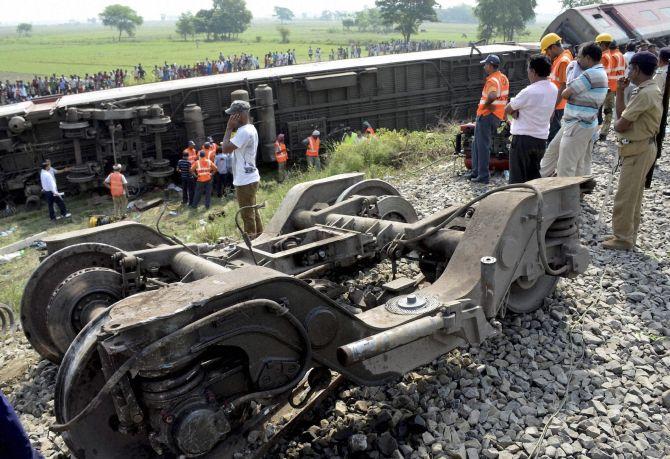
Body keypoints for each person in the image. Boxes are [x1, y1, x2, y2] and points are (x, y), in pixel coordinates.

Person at [605, 52, 662, 250]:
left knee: (626, 196)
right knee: (633, 195)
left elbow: (621, 124)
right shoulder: (645, 90)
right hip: (640, 148)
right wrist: (620, 91)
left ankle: (622, 238)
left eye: (630, 68)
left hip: (638, 149)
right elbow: (623, 115)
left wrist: (616, 126)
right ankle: (628, 234)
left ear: (637, 69)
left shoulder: (646, 93)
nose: (628, 71)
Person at [540, 42, 608, 178]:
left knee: (566, 165)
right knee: (554, 153)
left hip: (578, 124)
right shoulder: (596, 72)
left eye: (580, 57)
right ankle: (542, 181)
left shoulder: (591, 74)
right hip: (575, 122)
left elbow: (566, 93)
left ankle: (566, 195)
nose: (577, 60)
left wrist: (573, 72)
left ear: (588, 58)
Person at [504, 54, 557, 183]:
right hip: (541, 140)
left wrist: (515, 114)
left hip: (523, 140)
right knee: (533, 179)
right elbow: (551, 114)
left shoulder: (529, 91)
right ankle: (534, 202)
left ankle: (517, 202)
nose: (527, 72)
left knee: (517, 180)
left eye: (528, 69)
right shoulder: (553, 89)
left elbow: (508, 109)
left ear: (533, 71)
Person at [221, 100, 263, 238]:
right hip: (250, 177)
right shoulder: (250, 128)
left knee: (247, 214)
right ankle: (260, 236)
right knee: (253, 211)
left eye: (232, 114)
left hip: (245, 180)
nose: (231, 117)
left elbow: (225, 149)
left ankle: (252, 241)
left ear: (239, 115)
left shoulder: (244, 131)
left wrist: (228, 128)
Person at [469, 54, 509, 184]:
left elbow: (492, 96)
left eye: (486, 64)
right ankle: (475, 171)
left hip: (486, 115)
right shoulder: (503, 78)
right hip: (496, 116)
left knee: (482, 146)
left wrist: (485, 106)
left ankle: (483, 176)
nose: (484, 66)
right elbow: (504, 98)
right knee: (477, 144)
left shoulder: (492, 80)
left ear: (491, 66)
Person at [541, 33, 573, 143]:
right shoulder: (561, 58)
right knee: (552, 133)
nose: (547, 55)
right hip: (557, 103)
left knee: (553, 135)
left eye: (547, 51)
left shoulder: (563, 61)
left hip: (557, 104)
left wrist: (553, 107)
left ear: (553, 47)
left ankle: (553, 157)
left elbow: (563, 86)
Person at [596, 33, 616, 141]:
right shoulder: (610, 55)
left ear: (603, 44)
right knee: (607, 111)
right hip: (610, 87)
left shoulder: (604, 56)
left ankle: (599, 132)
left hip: (604, 88)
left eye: (598, 44)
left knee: (599, 111)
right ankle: (603, 132)